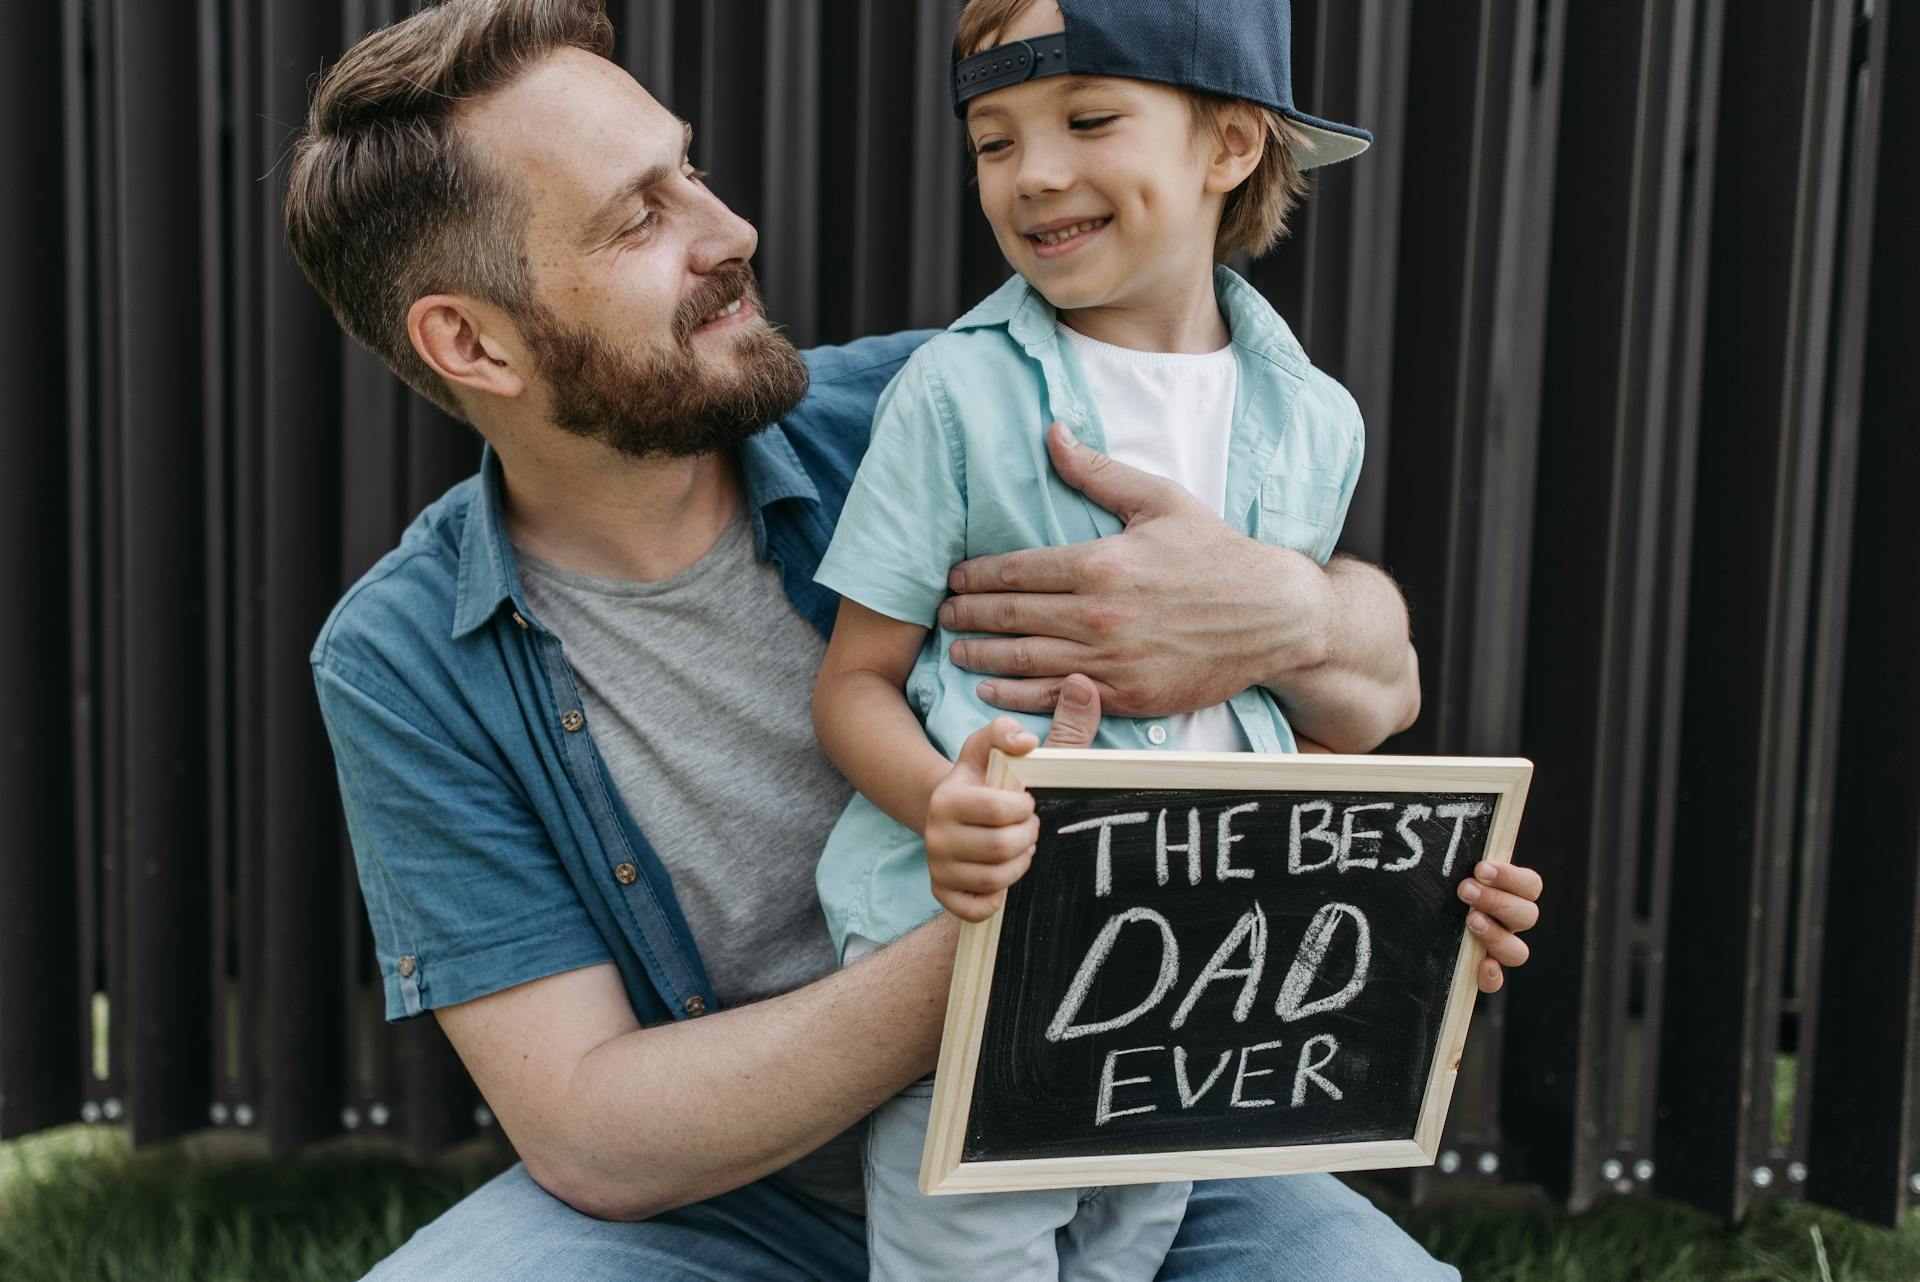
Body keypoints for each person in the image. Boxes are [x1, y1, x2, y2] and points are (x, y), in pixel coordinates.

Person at [284, 1, 1542, 1277]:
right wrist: (1076, 917)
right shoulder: (404, 657)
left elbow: (1376, 679)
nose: (731, 232)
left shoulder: (940, 401)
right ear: (470, 340)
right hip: (730, 1204)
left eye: (692, 170)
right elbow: (596, 1135)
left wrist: (1307, 672)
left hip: (1109, 1125)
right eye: (639, 216)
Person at [808, 1, 1432, 1276]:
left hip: (1192, 988)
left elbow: (1281, 712)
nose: (1034, 172)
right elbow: (853, 682)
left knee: (1130, 1253)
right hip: (992, 982)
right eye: (993, 139)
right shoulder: (957, 395)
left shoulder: (1315, 421)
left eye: (1089, 119)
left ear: (1231, 146)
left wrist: (1404, 886)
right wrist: (948, 805)